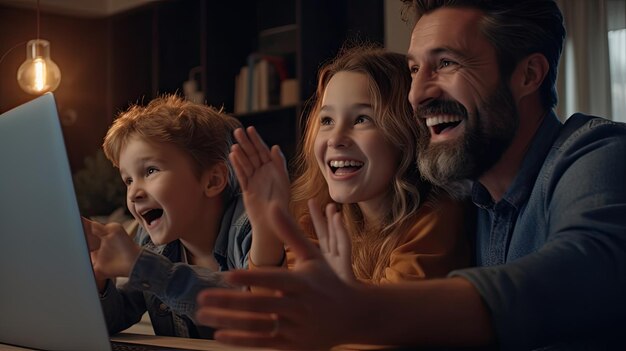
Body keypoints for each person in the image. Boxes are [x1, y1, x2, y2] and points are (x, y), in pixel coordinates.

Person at [194, 0, 626, 350]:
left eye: (448, 64)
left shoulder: (595, 153)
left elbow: (588, 268)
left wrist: (362, 310)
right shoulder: (474, 197)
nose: (418, 95)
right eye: (416, 69)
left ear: (528, 74)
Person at [231, 45, 472, 286]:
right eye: (327, 120)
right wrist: (267, 230)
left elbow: (390, 315)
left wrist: (333, 290)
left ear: (407, 133)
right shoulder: (319, 215)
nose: (335, 139)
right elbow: (276, 313)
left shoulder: (436, 217)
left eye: (361, 119)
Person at [83, 94, 252, 339]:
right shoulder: (152, 244)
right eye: (128, 180)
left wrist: (144, 268)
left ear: (213, 180)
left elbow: (250, 307)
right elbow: (114, 318)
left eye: (150, 170)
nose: (134, 193)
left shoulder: (250, 227)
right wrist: (97, 274)